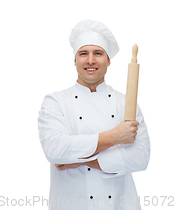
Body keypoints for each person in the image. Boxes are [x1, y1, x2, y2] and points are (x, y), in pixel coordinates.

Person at [38, 19, 150, 210]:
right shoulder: (55, 102)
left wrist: (83, 160)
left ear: (108, 60)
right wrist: (114, 137)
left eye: (98, 53)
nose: (90, 60)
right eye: (83, 53)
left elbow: (141, 157)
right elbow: (55, 149)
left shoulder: (126, 103)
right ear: (75, 60)